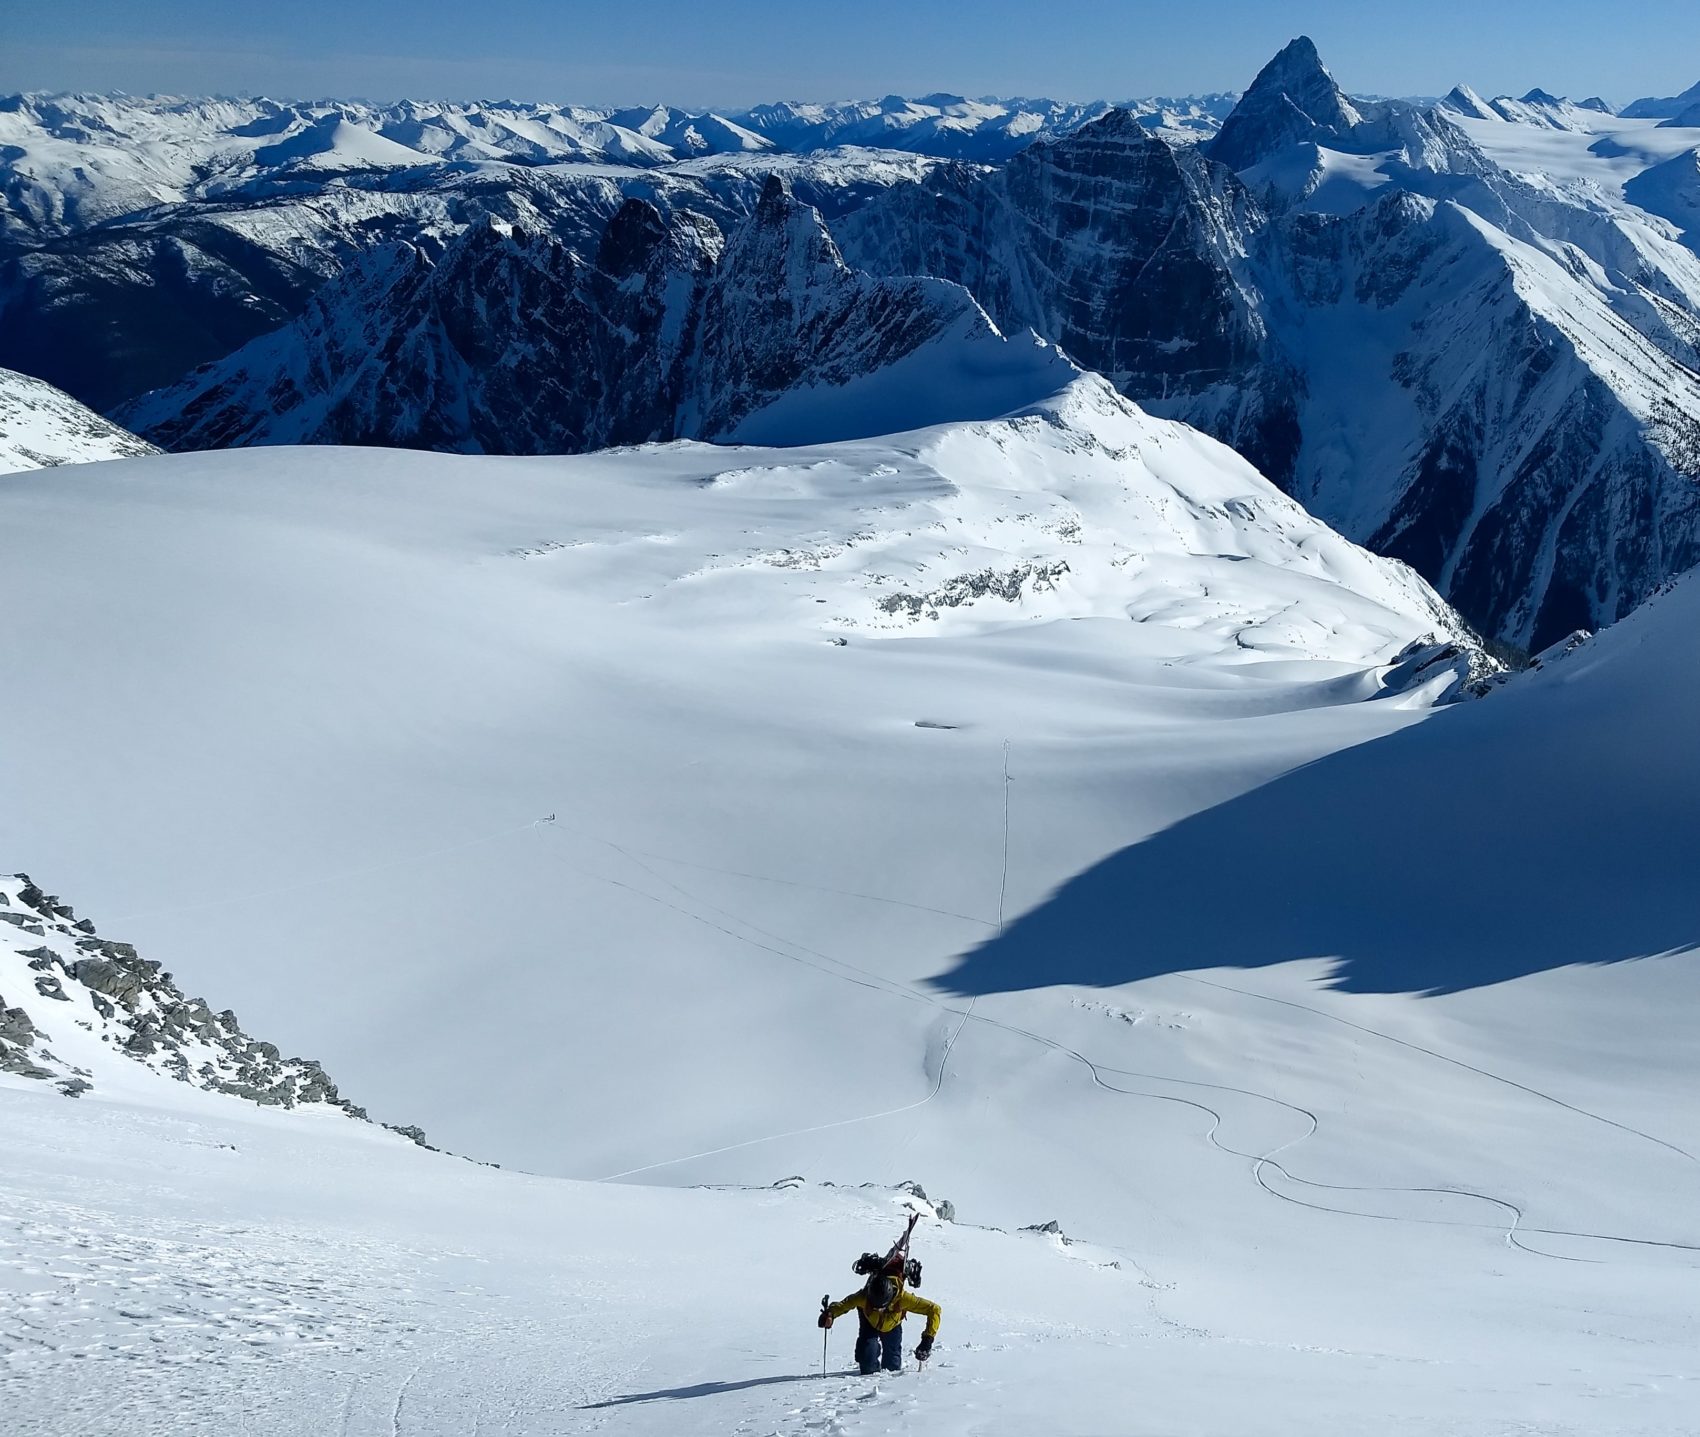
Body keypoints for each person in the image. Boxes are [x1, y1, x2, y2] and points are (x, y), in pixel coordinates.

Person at [818, 1262, 941, 1375]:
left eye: (881, 1307)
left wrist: (927, 1339)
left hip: (892, 1325)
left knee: (892, 1367)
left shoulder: (903, 1298)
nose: (878, 1310)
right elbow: (843, 1305)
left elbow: (934, 1309)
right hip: (869, 1322)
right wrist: (830, 1314)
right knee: (868, 1362)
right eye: (875, 1306)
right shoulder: (863, 1297)